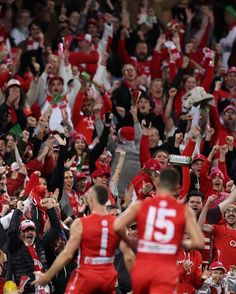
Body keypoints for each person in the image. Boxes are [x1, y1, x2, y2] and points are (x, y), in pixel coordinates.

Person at [114, 168, 204, 294]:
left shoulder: (141, 205)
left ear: (157, 184)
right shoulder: (183, 211)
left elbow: (117, 226)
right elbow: (199, 242)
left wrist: (133, 242)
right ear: (177, 187)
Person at [33, 185, 134, 293]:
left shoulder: (80, 224)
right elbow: (129, 256)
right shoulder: (117, 224)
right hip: (108, 278)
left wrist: (47, 276)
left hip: (87, 277)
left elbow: (67, 254)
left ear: (90, 199)